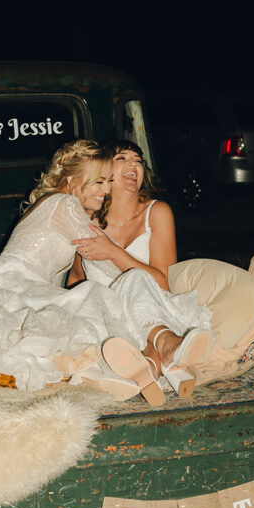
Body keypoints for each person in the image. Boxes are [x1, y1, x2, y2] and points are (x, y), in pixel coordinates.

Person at [0, 139, 212, 403]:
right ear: (73, 181)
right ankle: (155, 355)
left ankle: (146, 363)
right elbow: (103, 264)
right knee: (99, 297)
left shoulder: (65, 206)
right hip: (18, 287)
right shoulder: (66, 204)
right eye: (99, 181)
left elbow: (90, 269)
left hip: (25, 287)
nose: (104, 188)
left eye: (106, 181)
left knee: (90, 306)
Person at [67, 139, 201, 396]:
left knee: (136, 279)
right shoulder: (87, 219)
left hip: (149, 309)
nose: (134, 164)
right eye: (122, 159)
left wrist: (113, 253)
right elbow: (76, 277)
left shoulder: (157, 212)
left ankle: (161, 350)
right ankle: (152, 366)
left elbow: (163, 284)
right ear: (103, 173)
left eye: (138, 160)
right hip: (105, 321)